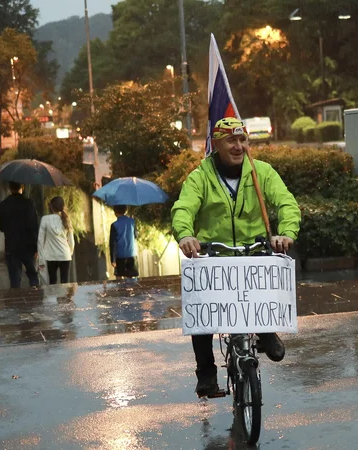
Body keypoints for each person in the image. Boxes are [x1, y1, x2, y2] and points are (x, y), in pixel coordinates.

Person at [171, 117, 301, 397]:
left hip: (254, 253)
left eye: (243, 140)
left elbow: (286, 202)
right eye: (232, 140)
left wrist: (286, 233)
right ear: (216, 144)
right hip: (214, 257)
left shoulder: (261, 172)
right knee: (202, 307)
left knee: (265, 283)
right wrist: (185, 235)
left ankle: (265, 332)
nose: (239, 146)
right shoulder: (200, 177)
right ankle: (205, 372)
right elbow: (183, 208)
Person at [0, 182, 39, 288]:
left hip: (11, 246)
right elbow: (33, 226)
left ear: (9, 188)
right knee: (32, 274)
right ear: (22, 187)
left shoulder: (2, 205)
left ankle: (15, 301)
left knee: (14, 278)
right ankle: (36, 296)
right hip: (28, 246)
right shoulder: (28, 203)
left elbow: (1, 228)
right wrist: (36, 247)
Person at [37, 196, 75, 284]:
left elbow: (40, 240)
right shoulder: (67, 219)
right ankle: (65, 298)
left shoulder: (45, 219)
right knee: (65, 282)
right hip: (65, 255)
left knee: (52, 282)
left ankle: (53, 298)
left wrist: (41, 257)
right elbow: (71, 241)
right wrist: (70, 252)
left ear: (51, 207)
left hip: (50, 255)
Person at [109, 205, 139, 279]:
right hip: (132, 254)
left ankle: (121, 290)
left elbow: (112, 243)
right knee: (132, 278)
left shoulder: (114, 225)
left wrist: (113, 259)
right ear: (125, 210)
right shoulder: (132, 222)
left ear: (115, 212)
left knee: (119, 278)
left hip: (120, 255)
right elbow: (136, 236)